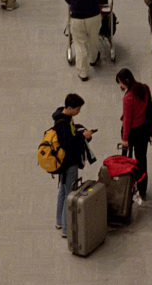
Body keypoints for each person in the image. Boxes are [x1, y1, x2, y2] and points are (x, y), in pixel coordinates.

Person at [52, 94, 94, 238]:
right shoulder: (62, 123)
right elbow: (67, 144)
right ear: (69, 108)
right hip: (69, 162)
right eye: (77, 109)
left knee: (63, 191)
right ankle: (66, 228)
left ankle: (59, 221)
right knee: (70, 193)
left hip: (64, 162)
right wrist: (83, 136)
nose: (79, 112)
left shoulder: (61, 116)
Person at [63, 0, 105, 82]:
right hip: (93, 17)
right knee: (93, 39)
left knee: (80, 45)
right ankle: (93, 59)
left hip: (77, 18)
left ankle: (83, 73)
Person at [116, 68, 151, 198]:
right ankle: (142, 190)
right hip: (144, 130)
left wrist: (125, 139)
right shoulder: (144, 88)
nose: (120, 86)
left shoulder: (128, 97)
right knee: (142, 160)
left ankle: (126, 187)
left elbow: (127, 120)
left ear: (126, 81)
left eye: (120, 83)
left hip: (132, 132)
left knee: (126, 160)